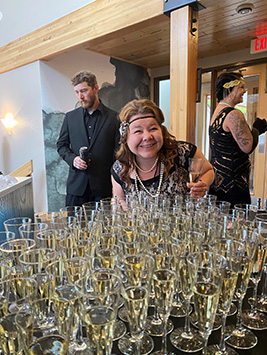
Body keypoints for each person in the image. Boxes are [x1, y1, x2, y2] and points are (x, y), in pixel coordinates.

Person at [111, 99, 214, 201]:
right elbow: (120, 204)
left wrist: (201, 184)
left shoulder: (183, 152)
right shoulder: (120, 168)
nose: (147, 136)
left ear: (162, 130)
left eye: (153, 129)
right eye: (138, 131)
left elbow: (208, 170)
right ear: (125, 137)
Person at [57, 71, 120, 206]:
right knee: (74, 227)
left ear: (96, 88)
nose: (80, 97)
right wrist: (73, 159)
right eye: (77, 92)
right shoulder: (70, 117)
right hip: (76, 187)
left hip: (104, 187)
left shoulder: (115, 118)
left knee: (104, 227)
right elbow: (61, 145)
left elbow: (119, 152)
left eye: (84, 91)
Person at [209, 72, 267, 208]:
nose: (244, 91)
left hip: (218, 180)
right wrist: (256, 129)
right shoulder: (233, 114)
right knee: (235, 224)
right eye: (241, 87)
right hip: (233, 184)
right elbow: (247, 147)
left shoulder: (217, 112)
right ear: (229, 89)